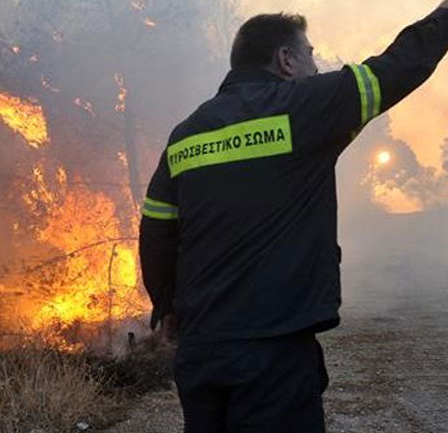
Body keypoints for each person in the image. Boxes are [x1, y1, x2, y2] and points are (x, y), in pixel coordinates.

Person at [139, 2, 448, 432]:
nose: (315, 66)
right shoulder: (303, 108)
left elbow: (156, 229)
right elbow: (397, 68)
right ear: (286, 59)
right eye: (310, 54)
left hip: (200, 351)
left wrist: (166, 303)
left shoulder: (186, 134)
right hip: (273, 351)